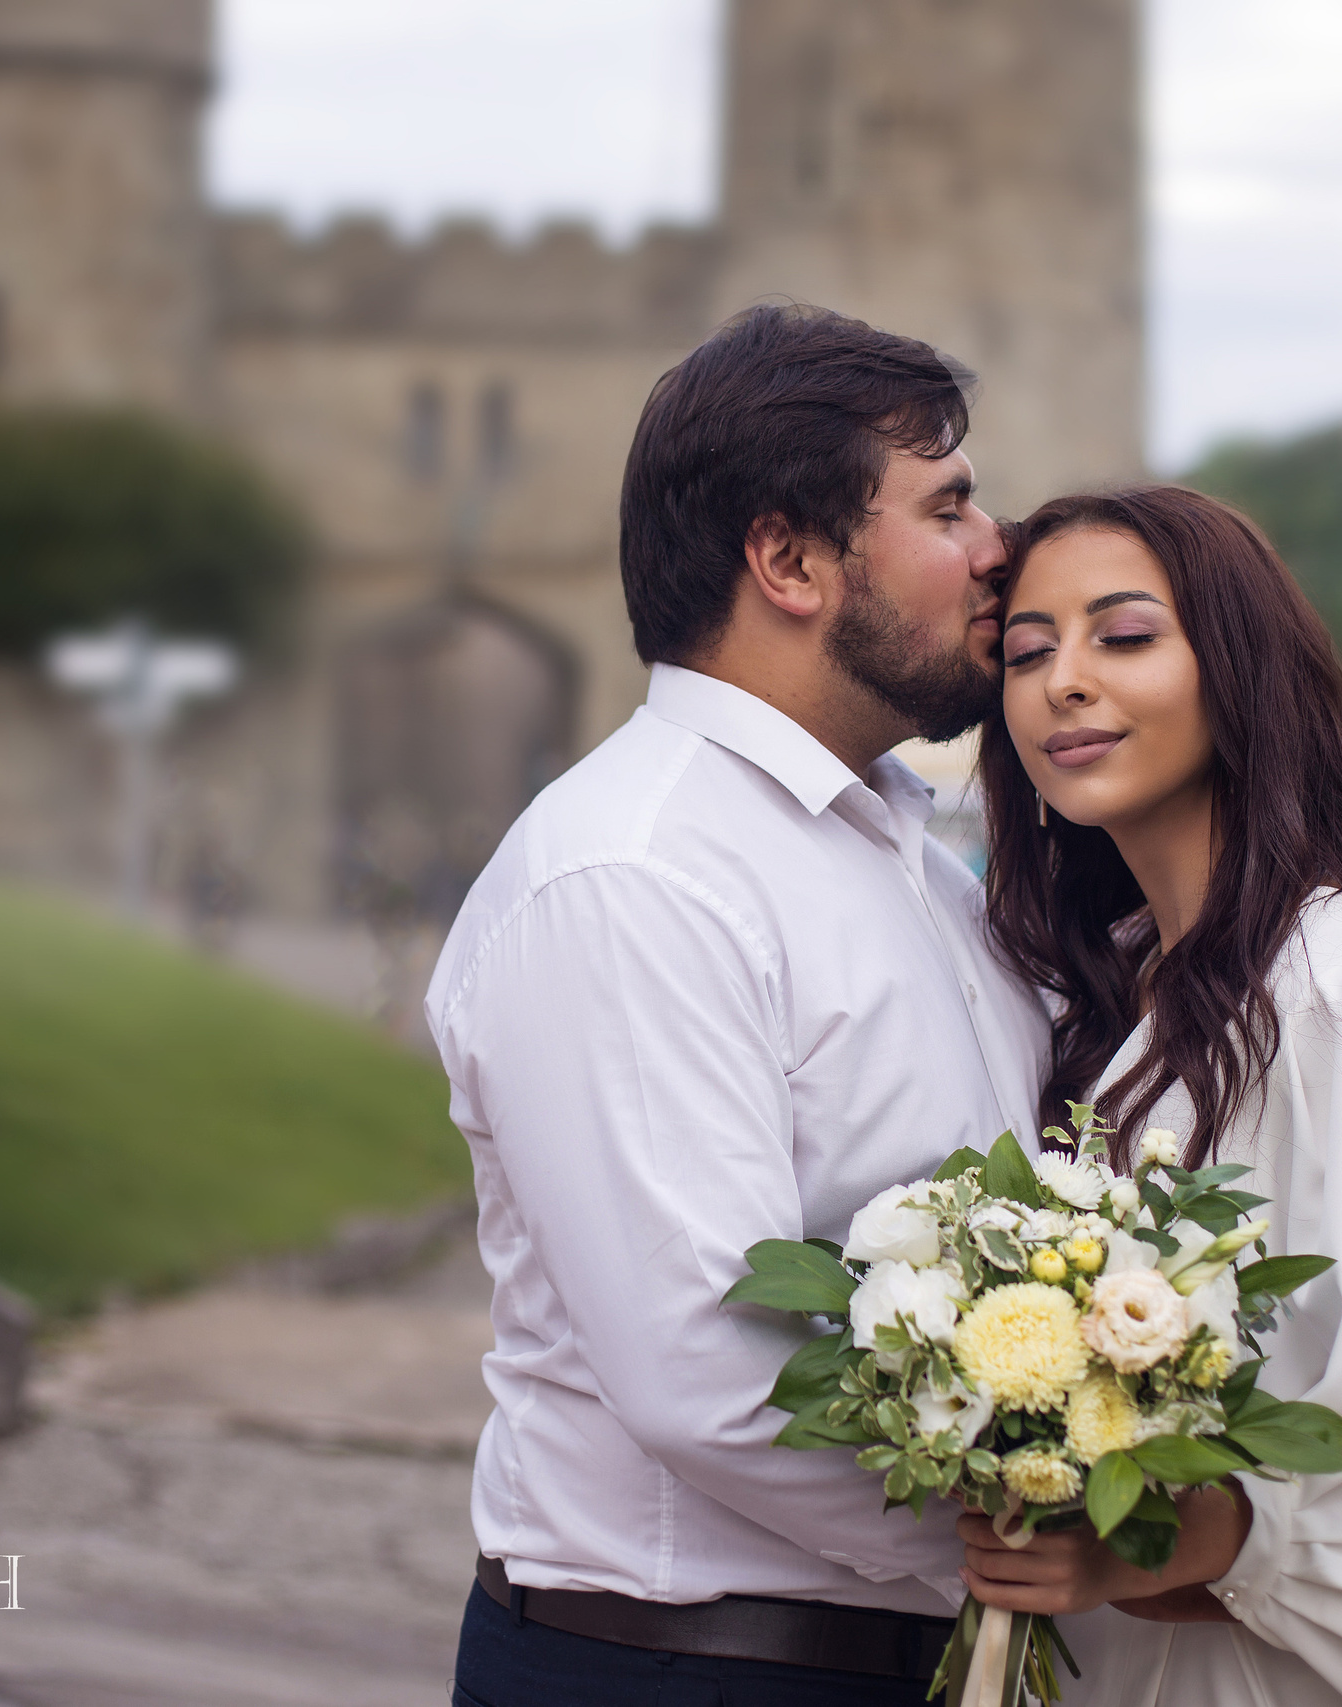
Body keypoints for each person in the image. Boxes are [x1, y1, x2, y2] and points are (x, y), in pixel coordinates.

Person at [426, 304, 1053, 1706]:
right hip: (677, 1666)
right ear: (789, 561)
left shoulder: (909, 856)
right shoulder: (632, 874)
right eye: (947, 505)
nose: (996, 546)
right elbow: (711, 1369)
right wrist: (1053, 1528)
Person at [954, 487, 1342, 1706]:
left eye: (1124, 636)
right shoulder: (1101, 1005)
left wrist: (1191, 1537)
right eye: (1025, 652)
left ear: (1239, 674)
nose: (1063, 681)